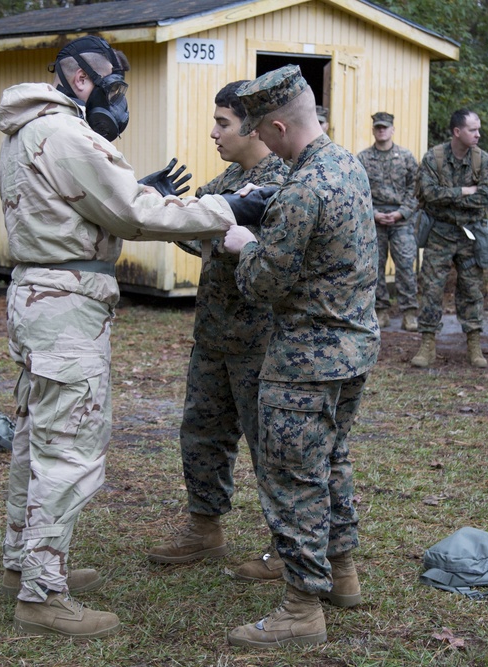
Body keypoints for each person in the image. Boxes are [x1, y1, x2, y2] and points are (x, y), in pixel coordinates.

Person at [0, 35, 242, 638]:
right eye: (112, 82)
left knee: (37, 435)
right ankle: (42, 592)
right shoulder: (67, 134)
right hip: (65, 306)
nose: (116, 96)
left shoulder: (32, 130)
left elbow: (97, 205)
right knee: (70, 445)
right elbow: (130, 214)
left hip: (42, 296)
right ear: (81, 79)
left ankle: (24, 563)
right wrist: (229, 209)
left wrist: (140, 190)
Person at [221, 65, 380, 648]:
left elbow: (264, 283)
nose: (263, 143)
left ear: (282, 125)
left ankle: (301, 607)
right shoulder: (348, 166)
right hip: (352, 348)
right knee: (332, 461)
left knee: (293, 478)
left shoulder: (303, 188)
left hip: (304, 359)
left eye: (265, 133)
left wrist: (244, 246)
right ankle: (342, 573)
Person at [144, 81, 289, 580]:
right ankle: (204, 528)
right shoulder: (229, 179)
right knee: (202, 432)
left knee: (270, 444)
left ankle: (287, 544)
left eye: (223, 123)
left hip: (262, 339)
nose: (213, 132)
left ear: (253, 126)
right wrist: (167, 207)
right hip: (214, 334)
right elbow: (199, 238)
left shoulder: (285, 181)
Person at [410, 108, 488, 369]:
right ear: (457, 132)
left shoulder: (484, 161)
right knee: (431, 288)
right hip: (440, 233)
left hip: (471, 234)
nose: (478, 134)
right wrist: (463, 191)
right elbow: (429, 194)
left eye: (478, 129)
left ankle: (474, 344)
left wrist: (451, 195)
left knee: (472, 289)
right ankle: (427, 345)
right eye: (473, 130)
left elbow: (484, 197)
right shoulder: (433, 158)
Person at [357, 112, 420, 331]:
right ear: (373, 130)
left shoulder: (405, 157)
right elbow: (358, 190)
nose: (381, 130)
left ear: (393, 130)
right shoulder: (363, 158)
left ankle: (410, 312)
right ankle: (380, 311)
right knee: (374, 266)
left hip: (400, 220)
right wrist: (372, 213)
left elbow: (416, 188)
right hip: (374, 219)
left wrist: (403, 212)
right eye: (378, 127)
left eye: (385, 127)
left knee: (405, 265)